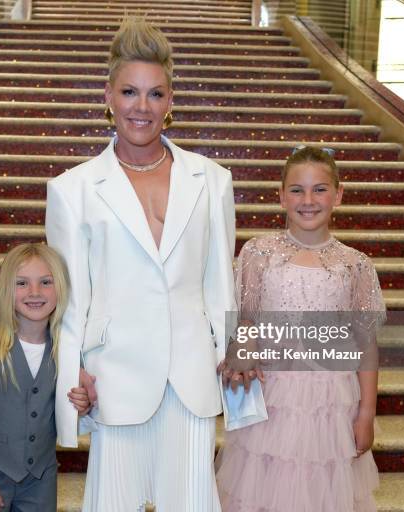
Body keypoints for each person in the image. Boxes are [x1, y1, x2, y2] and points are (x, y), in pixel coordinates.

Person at [45, 17, 236, 512]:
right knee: (113, 502)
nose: (141, 107)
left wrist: (237, 353)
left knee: (193, 502)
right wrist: (74, 375)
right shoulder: (73, 190)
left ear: (170, 102)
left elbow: (222, 286)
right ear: (107, 94)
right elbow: (70, 303)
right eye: (130, 91)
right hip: (114, 375)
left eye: (155, 94)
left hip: (192, 372)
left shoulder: (212, 180)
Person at [216, 146, 385, 511]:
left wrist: (366, 413)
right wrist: (241, 352)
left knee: (322, 490)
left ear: (338, 194)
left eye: (320, 189)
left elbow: (366, 344)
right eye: (297, 190)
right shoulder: (258, 254)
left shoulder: (355, 265)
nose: (308, 200)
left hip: (331, 403)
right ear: (280, 195)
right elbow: (245, 319)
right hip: (271, 396)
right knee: (266, 489)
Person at [0, 243, 91, 512]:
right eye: (22, 283)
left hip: (41, 478)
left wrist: (81, 405)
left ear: (61, 288)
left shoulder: (66, 350)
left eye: (46, 282)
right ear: (7, 290)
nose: (35, 292)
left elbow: (67, 408)